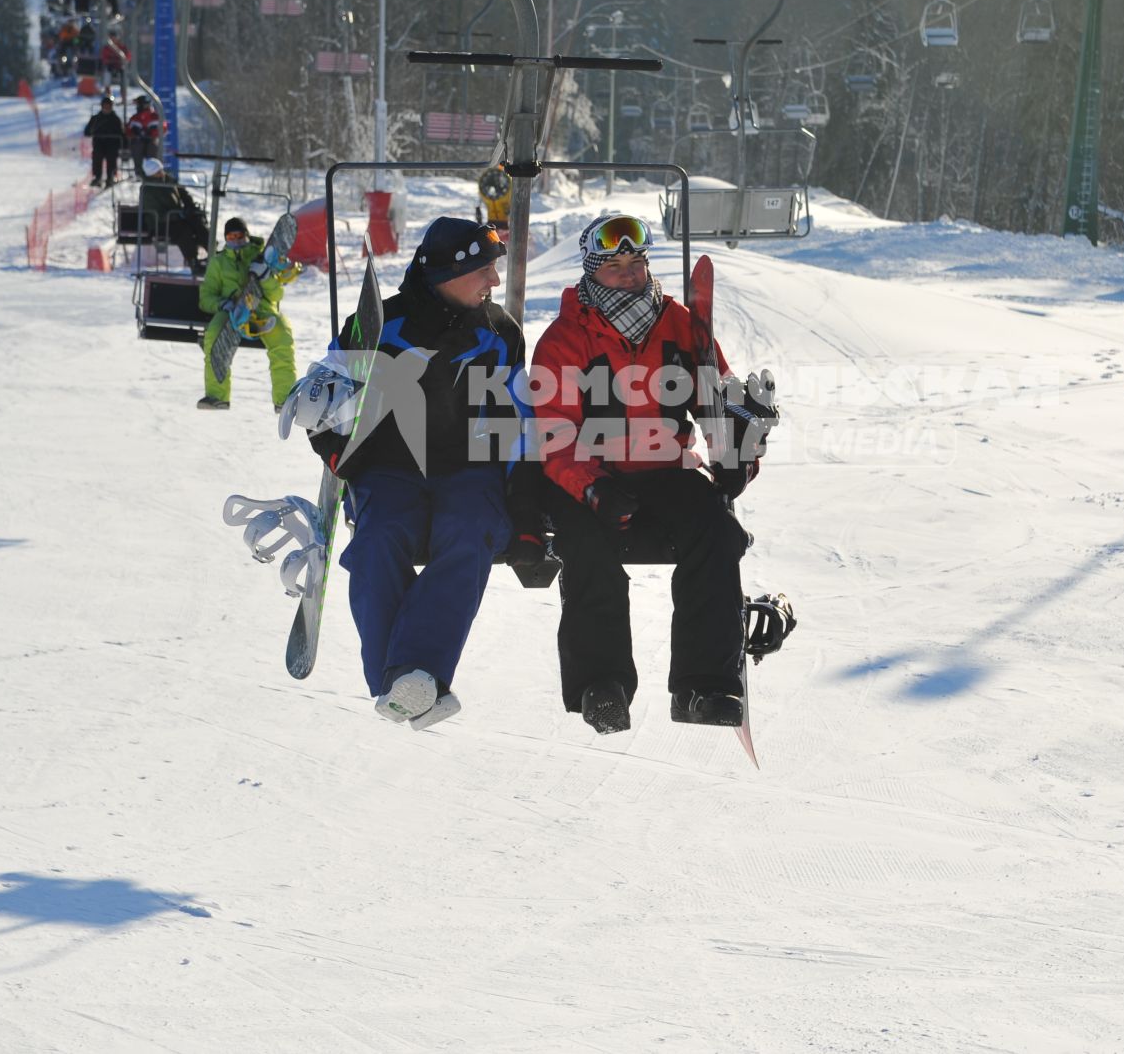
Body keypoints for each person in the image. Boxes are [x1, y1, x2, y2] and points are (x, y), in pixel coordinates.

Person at [528, 214, 774, 736]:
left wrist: (738, 457)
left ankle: (703, 685)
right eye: (615, 267)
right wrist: (591, 488)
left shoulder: (680, 324)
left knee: (714, 529)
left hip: (667, 468)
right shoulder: (565, 339)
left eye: (636, 264)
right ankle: (603, 685)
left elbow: (719, 397)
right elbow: (553, 433)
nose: (629, 275)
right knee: (587, 548)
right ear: (594, 272)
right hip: (593, 473)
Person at [282, 218, 532, 729]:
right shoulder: (379, 325)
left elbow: (516, 417)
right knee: (378, 542)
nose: (494, 282)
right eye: (485, 269)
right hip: (389, 468)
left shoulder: (500, 332)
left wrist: (526, 499)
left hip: (470, 468)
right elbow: (325, 403)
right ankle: (412, 680)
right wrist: (335, 451)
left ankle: (407, 678)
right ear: (449, 270)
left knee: (468, 533)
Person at [197, 216, 296, 413]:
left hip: (262, 308)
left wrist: (266, 276)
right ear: (225, 238)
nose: (235, 240)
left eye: (239, 235)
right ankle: (217, 396)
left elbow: (277, 293)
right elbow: (206, 297)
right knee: (214, 335)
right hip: (232, 310)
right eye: (231, 236)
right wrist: (221, 303)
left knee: (282, 337)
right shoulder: (219, 262)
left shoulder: (261, 257)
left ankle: (284, 399)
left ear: (247, 236)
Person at [138, 157, 210, 269]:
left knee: (197, 221)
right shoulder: (148, 189)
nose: (162, 173)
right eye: (158, 172)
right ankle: (193, 261)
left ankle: (212, 252)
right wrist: (178, 214)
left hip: (175, 217)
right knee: (184, 231)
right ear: (151, 174)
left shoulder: (167, 180)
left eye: (161, 170)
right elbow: (156, 213)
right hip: (160, 223)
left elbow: (182, 192)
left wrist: (189, 205)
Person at [82, 96, 125, 188]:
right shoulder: (96, 119)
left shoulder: (115, 119)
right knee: (97, 157)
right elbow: (87, 131)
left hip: (112, 144)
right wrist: (92, 132)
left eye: (108, 106)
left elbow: (121, 133)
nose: (107, 108)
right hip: (99, 143)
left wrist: (124, 145)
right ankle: (97, 177)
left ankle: (111, 177)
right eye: (105, 106)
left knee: (111, 159)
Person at [126, 95, 163, 178]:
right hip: (138, 142)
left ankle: (153, 172)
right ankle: (139, 172)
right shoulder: (135, 118)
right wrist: (133, 135)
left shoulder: (155, 117)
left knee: (152, 147)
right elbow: (128, 130)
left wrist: (153, 135)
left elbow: (162, 128)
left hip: (151, 141)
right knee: (137, 146)